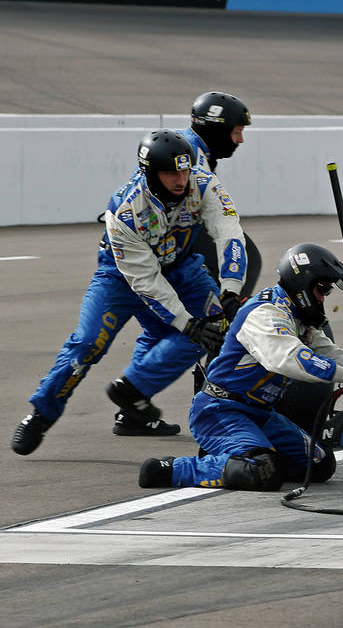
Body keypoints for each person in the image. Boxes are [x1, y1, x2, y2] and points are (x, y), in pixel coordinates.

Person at [12, 130, 246, 455]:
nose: (181, 180)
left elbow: (230, 234)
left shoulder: (205, 185)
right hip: (120, 277)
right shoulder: (125, 210)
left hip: (181, 267)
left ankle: (133, 395)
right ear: (150, 172)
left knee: (216, 327)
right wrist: (185, 322)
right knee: (87, 343)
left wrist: (231, 289)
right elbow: (146, 283)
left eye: (184, 170)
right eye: (170, 172)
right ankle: (40, 414)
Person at [137, 243, 343, 489]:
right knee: (263, 470)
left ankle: (240, 454)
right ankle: (172, 470)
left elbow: (331, 353)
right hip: (220, 410)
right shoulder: (265, 313)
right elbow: (290, 358)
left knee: (320, 465)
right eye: (322, 289)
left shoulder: (298, 318)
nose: (324, 298)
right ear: (303, 283)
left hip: (261, 414)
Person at [102, 91, 254, 418]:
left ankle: (133, 408)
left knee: (159, 329)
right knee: (214, 322)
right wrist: (229, 288)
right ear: (216, 129)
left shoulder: (194, 149)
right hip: (154, 249)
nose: (240, 140)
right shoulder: (192, 156)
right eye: (236, 131)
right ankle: (144, 389)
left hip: (160, 245)